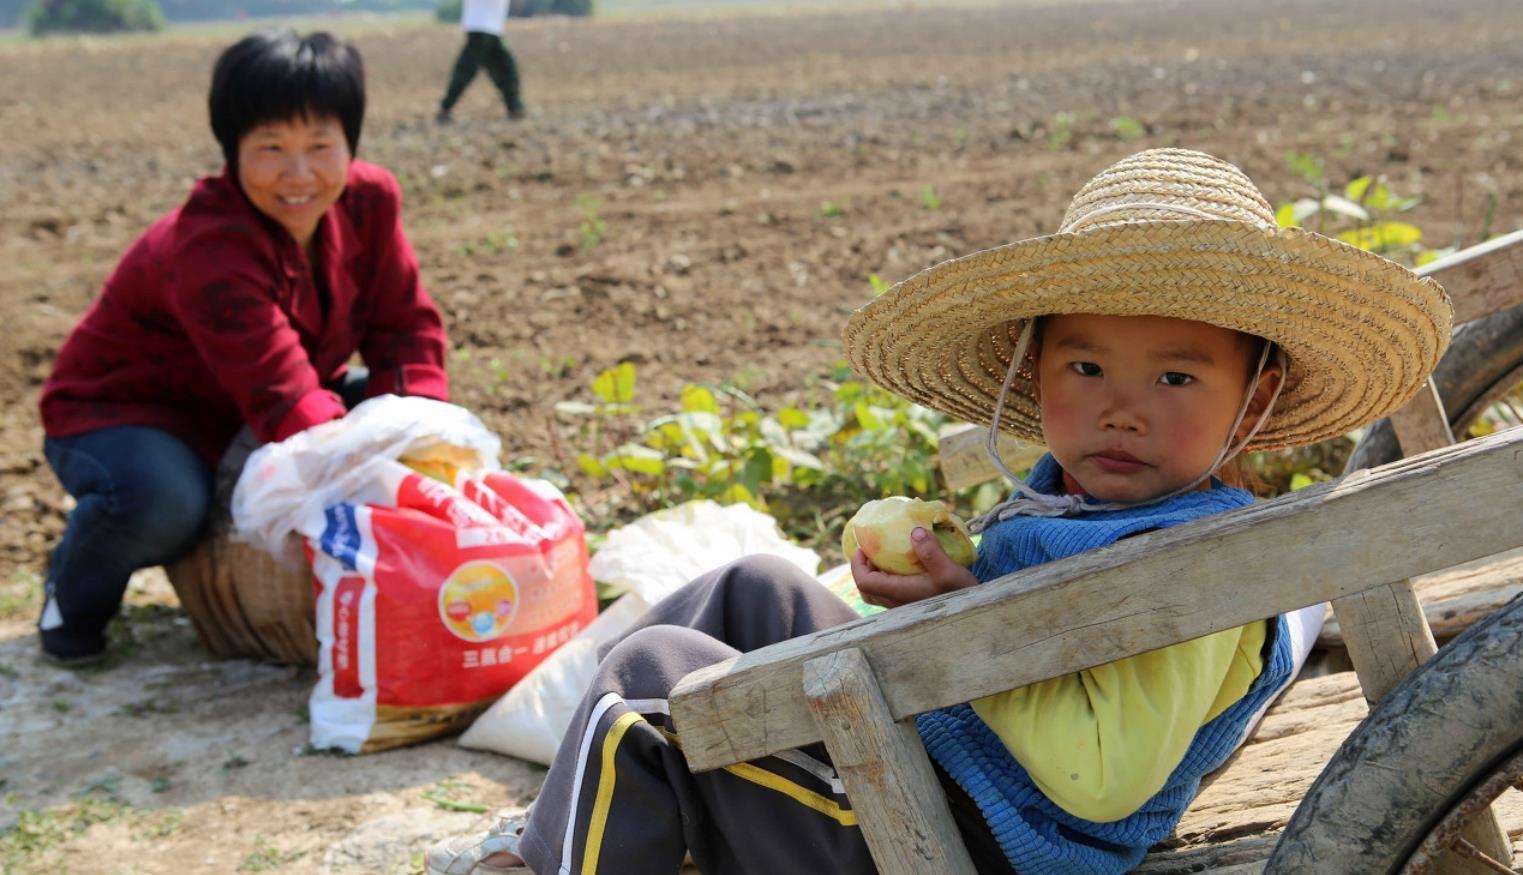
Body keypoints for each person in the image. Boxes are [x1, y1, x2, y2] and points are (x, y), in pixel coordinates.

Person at [425, 148, 1451, 874]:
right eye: (1083, 364)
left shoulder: (1202, 569)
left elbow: (1096, 776)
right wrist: (935, 602)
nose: (1120, 406)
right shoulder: (1076, 504)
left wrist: (964, 620)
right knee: (752, 586)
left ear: (1254, 400)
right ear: (1031, 369)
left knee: (651, 692)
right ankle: (554, 835)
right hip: (952, 763)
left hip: (969, 836)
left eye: (1176, 376)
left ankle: (546, 856)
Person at [36, 29, 450, 667]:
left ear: (350, 144)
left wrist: (425, 447)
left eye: (320, 146)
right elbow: (279, 391)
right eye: (271, 149)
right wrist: (371, 472)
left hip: (257, 403)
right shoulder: (209, 244)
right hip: (132, 416)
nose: (299, 174)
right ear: (232, 152)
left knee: (406, 417)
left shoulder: (370, 202)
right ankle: (71, 593)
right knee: (165, 505)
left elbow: (405, 330)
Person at [436, 0, 525, 124]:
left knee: (507, 68)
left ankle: (515, 108)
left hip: (492, 29)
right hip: (481, 27)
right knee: (466, 70)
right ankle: (445, 109)